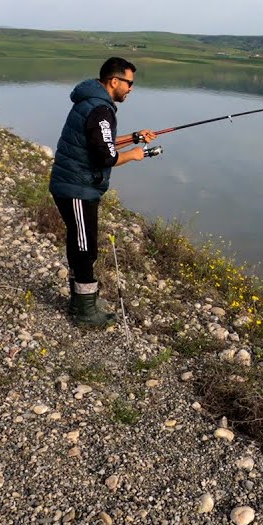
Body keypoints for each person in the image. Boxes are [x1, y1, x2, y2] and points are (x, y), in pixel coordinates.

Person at [48, 57, 156, 327]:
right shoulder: (100, 109)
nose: (131, 89)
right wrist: (133, 155)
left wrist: (134, 137)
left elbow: (100, 141)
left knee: (79, 242)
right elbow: (104, 157)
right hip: (77, 188)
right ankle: (85, 311)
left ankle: (80, 300)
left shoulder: (91, 103)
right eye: (129, 83)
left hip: (74, 185)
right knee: (85, 247)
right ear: (114, 81)